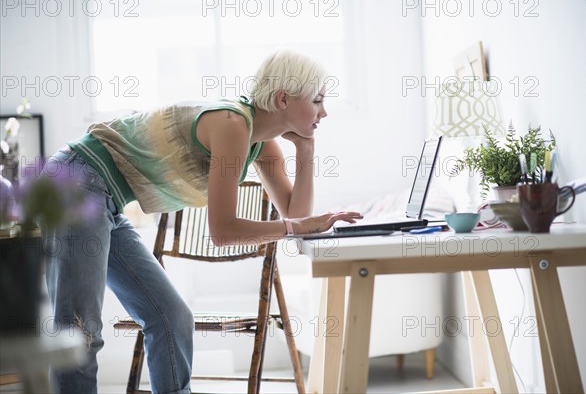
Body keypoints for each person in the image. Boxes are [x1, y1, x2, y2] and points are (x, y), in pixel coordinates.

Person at [40, 49, 362, 393]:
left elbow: (295, 214)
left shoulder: (260, 143)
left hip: (107, 200)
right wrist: (297, 227)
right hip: (74, 184)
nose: (323, 112)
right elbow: (224, 231)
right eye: (317, 101)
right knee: (80, 332)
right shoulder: (232, 125)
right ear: (283, 99)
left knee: (172, 319)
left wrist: (306, 151)